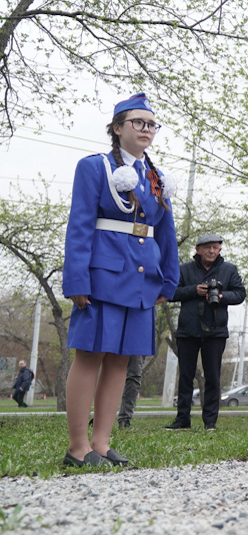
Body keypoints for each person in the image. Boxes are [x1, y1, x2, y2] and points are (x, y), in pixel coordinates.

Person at [61, 92, 179, 467]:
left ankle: (100, 443)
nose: (146, 129)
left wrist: (168, 281)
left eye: (151, 124)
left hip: (143, 280)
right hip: (103, 276)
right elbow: (80, 225)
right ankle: (77, 447)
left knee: (120, 362)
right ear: (117, 128)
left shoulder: (157, 178)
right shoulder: (95, 167)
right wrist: (76, 279)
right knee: (90, 356)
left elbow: (166, 234)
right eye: (138, 122)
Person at [165, 233, 246, 431]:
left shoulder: (228, 270)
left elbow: (240, 294)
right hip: (188, 330)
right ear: (197, 249)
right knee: (185, 376)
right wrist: (194, 290)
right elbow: (171, 293)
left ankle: (210, 422)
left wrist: (221, 295)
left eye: (215, 247)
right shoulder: (184, 269)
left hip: (216, 331)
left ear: (219, 250)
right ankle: (182, 420)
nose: (211, 251)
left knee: (213, 377)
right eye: (207, 247)